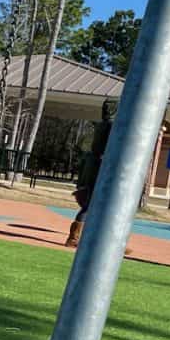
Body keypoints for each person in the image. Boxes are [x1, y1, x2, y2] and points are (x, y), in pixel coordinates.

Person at [65, 102, 112, 247]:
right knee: (91, 205)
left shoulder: (102, 125)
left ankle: (100, 241)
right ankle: (74, 238)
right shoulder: (111, 126)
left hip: (93, 164)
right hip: (98, 167)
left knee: (94, 205)